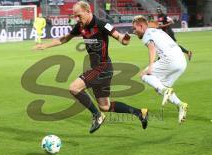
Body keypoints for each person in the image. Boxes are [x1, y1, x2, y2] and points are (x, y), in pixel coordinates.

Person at [33, 1, 148, 133]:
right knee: (105, 106)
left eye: (78, 15)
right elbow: (64, 39)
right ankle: (140, 113)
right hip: (99, 68)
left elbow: (119, 37)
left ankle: (97, 116)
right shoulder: (80, 26)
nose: (76, 18)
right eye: (74, 16)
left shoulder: (102, 24)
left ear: (88, 11)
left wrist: (125, 39)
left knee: (74, 88)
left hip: (102, 67)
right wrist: (44, 46)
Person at [132, 15, 188, 123]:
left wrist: (151, 66)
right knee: (161, 87)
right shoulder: (157, 31)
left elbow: (151, 48)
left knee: (144, 75)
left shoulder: (146, 34)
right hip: (182, 61)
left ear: (141, 26)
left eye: (135, 28)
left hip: (170, 60)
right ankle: (181, 105)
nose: (134, 31)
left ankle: (165, 90)